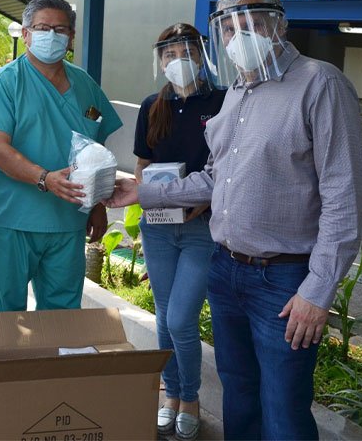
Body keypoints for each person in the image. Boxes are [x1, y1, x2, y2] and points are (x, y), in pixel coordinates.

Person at [108, 0, 362, 440]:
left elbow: (344, 195)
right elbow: (213, 177)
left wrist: (318, 289)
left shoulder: (319, 83)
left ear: (277, 23)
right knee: (239, 397)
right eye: (227, 28)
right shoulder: (237, 95)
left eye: (248, 22)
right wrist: (143, 193)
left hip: (285, 282)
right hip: (226, 270)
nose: (237, 35)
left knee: (283, 408)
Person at [0, 0, 122, 312]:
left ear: (71, 38)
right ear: (25, 33)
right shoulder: (4, 84)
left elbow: (96, 146)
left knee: (63, 313)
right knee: (4, 312)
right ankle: (7, 363)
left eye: (60, 29)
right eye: (42, 28)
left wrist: (97, 203)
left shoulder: (86, 86)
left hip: (67, 222)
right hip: (13, 218)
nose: (51, 35)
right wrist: (44, 179)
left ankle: (51, 364)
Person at [133, 24, 226, 440]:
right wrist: (144, 211)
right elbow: (141, 166)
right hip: (158, 229)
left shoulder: (224, 101)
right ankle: (170, 394)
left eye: (186, 51)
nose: (177, 61)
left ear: (202, 55)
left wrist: (202, 202)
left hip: (202, 228)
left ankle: (189, 397)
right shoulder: (153, 105)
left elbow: (228, 168)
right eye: (168, 54)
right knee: (164, 319)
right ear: (160, 60)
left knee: (181, 319)